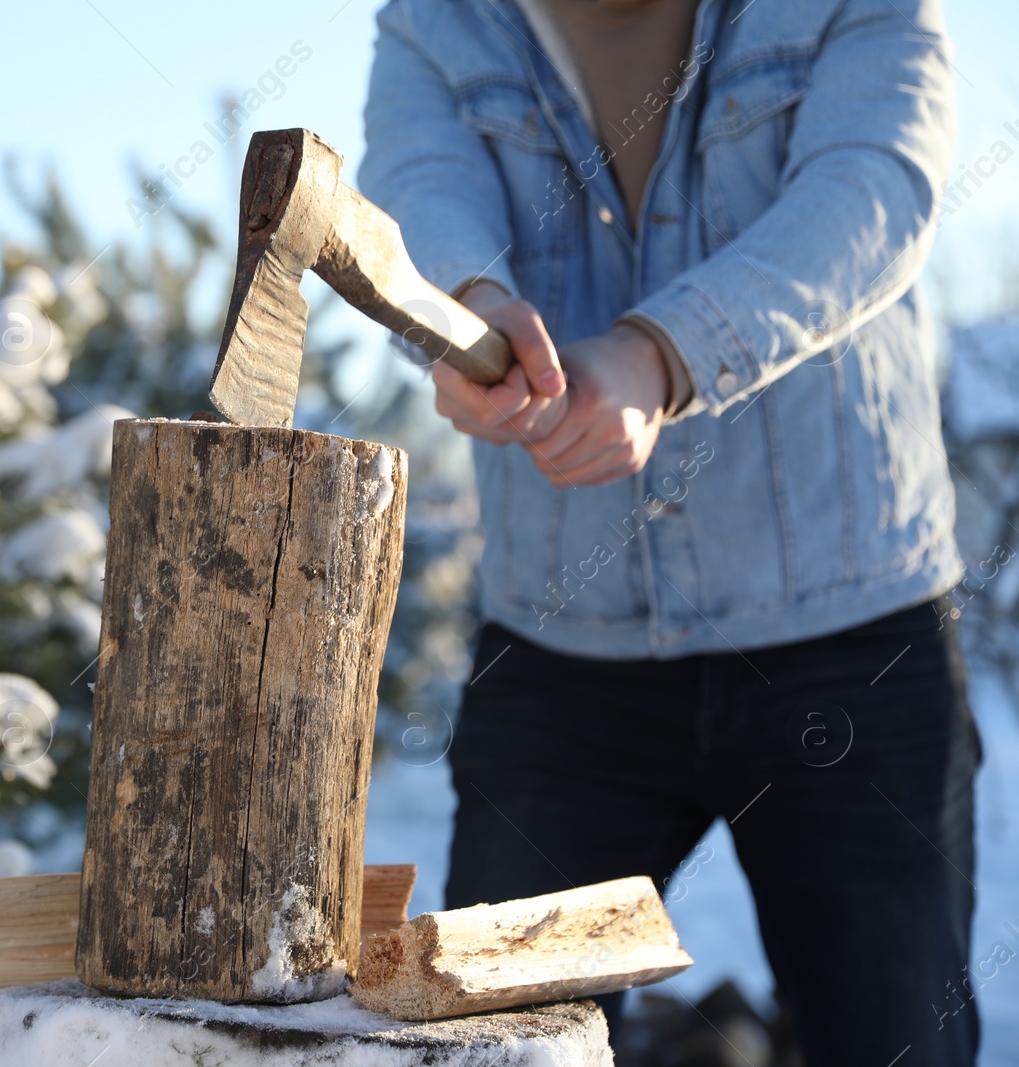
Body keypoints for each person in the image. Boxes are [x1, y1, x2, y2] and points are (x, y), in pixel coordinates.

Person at [358, 1, 978, 1063]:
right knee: (491, 1044)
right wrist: (464, 311)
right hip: (565, 650)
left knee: (892, 1040)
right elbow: (421, 182)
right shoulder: (434, 19)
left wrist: (662, 353)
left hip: (850, 628)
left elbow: (872, 187)